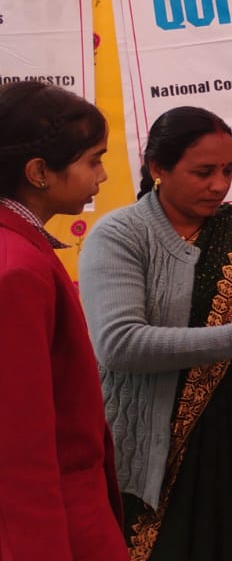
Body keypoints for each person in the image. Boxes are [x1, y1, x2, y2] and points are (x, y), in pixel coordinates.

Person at [80, 106, 232, 560]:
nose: (220, 185)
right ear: (158, 168)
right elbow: (119, 344)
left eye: (228, 170)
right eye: (204, 172)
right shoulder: (120, 236)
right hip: (159, 455)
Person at [0, 82, 126, 560]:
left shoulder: (21, 249)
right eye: (93, 160)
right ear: (39, 172)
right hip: (58, 522)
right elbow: (20, 448)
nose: (103, 175)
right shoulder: (16, 269)